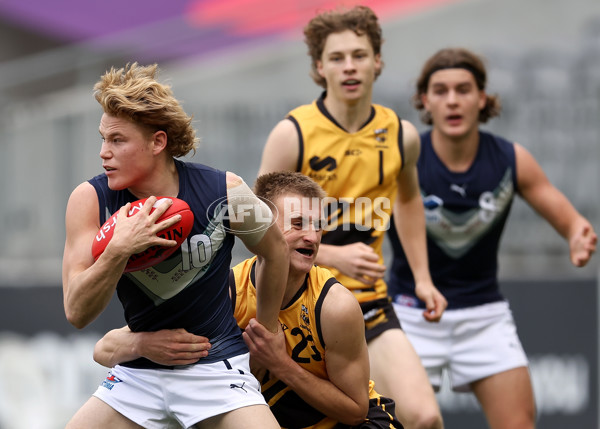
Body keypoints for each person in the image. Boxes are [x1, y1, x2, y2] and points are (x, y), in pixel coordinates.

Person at [62, 63, 289, 429]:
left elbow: (276, 251)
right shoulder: (90, 199)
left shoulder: (227, 192)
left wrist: (267, 332)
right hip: (138, 375)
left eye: (118, 140)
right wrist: (119, 249)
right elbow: (76, 311)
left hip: (216, 366)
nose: (104, 152)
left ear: (157, 142)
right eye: (103, 138)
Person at [387, 47, 598, 429]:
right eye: (440, 90)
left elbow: (563, 213)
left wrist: (576, 233)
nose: (452, 100)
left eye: (464, 89)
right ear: (424, 100)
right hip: (410, 313)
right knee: (410, 422)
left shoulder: (510, 159)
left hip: (484, 316)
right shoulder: (404, 159)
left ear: (482, 98)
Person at [94, 171, 404, 429]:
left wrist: (281, 364)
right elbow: (103, 348)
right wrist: (143, 346)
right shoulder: (226, 289)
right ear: (263, 222)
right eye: (297, 224)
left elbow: (354, 410)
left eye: (318, 226)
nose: (312, 237)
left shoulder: (334, 305)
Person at [257, 6, 446, 429]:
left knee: (425, 418)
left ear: (377, 61)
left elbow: (409, 202)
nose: (350, 67)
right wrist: (333, 258)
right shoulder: (293, 134)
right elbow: (258, 231)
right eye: (337, 58)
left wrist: (422, 278)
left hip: (368, 302)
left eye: (359, 55)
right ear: (319, 67)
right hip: (295, 305)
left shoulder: (402, 135)